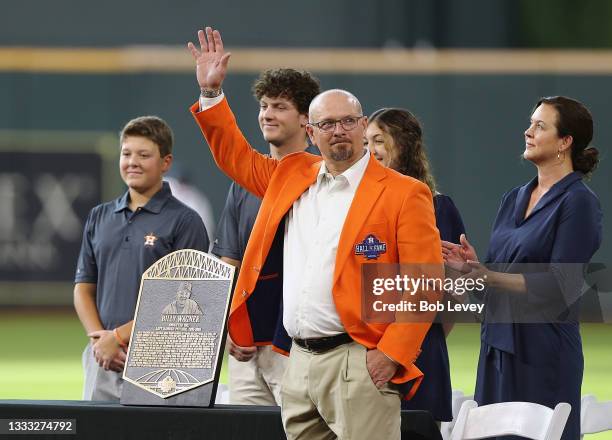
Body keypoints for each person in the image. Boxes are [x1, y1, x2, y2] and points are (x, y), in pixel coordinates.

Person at [188, 27, 442, 440]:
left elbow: (423, 282)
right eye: (327, 124)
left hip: (358, 360)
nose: (338, 130)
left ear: (363, 127)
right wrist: (212, 93)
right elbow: (234, 156)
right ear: (311, 132)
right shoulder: (292, 173)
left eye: (348, 122)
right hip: (299, 360)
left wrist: (391, 355)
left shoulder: (404, 192)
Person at [442, 96, 602, 439]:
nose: (528, 131)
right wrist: (470, 270)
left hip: (544, 353)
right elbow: (492, 290)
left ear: (565, 142)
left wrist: (489, 275)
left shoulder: (580, 202)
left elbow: (562, 286)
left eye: (540, 126)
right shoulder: (512, 198)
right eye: (530, 123)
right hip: (496, 348)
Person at [73, 116, 209, 401]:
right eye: (126, 154)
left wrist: (118, 337)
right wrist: (100, 340)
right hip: (103, 357)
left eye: (144, 155)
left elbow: (185, 299)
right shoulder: (99, 216)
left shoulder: (185, 221)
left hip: (161, 358)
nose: (132, 162)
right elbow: (83, 287)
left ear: (166, 162)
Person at [212, 68, 320, 405]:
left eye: (279, 106)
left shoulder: (323, 180)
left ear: (306, 119)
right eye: (263, 105)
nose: (267, 114)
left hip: (300, 344)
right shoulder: (243, 184)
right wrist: (227, 323)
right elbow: (228, 260)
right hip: (245, 343)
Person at [365, 107, 465, 423]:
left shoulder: (437, 206)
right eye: (365, 142)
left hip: (420, 353)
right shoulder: (355, 204)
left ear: (404, 144)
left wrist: (416, 342)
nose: (370, 151)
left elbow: (452, 298)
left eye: (378, 140)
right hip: (364, 355)